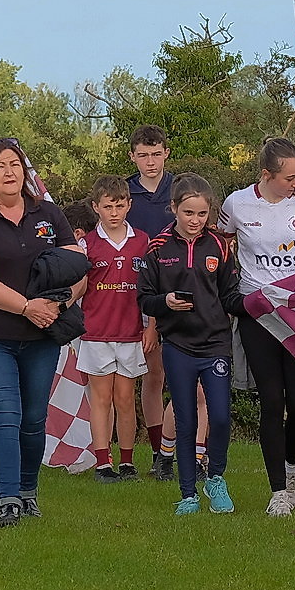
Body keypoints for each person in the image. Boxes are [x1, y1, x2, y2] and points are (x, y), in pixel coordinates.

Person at [0, 137, 86, 527]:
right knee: (4, 414)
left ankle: (28, 493)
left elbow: (79, 269)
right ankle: (8, 500)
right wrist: (27, 307)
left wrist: (58, 306)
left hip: (41, 336)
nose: (9, 172)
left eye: (15, 164)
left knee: (33, 419)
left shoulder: (49, 213)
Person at [218, 136, 295, 516]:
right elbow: (223, 247)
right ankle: (278, 491)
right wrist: (231, 296)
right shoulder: (237, 204)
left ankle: (291, 467)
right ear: (266, 174)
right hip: (258, 313)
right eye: (290, 178)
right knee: (272, 401)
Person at [140, 172, 244, 516]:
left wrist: (253, 304)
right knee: (185, 420)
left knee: (220, 416)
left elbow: (229, 295)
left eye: (202, 213)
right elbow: (144, 298)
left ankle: (215, 478)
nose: (195, 220)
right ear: (173, 208)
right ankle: (188, 494)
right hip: (177, 345)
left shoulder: (219, 245)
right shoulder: (157, 247)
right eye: (188, 213)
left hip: (215, 343)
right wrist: (166, 302)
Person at [78, 176, 154, 482]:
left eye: (119, 206)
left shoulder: (143, 241)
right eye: (108, 206)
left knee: (125, 399)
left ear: (129, 205)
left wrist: (152, 326)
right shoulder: (87, 244)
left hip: (131, 332)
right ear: (96, 207)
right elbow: (78, 287)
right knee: (101, 399)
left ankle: (127, 462)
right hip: (96, 332)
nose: (114, 212)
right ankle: (102, 463)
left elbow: (151, 287)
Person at [126, 125, 174, 479]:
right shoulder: (125, 194)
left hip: (185, 289)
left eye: (156, 154)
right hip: (143, 293)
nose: (150, 161)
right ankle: (159, 451)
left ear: (166, 153)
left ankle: (195, 449)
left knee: (191, 377)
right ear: (133, 157)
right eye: (143, 155)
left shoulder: (180, 188)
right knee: (153, 374)